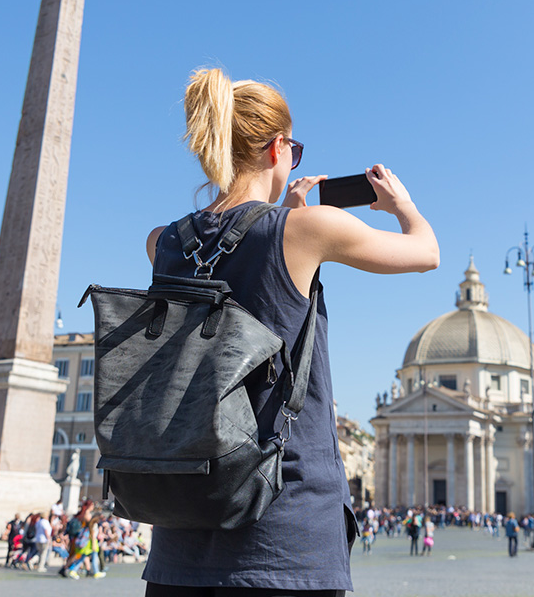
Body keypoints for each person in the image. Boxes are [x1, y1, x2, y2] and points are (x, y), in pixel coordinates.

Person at [141, 69, 440, 596]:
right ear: (279, 147)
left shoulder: (163, 243)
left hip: (181, 531)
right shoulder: (307, 229)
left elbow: (234, 256)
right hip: (284, 531)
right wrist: (401, 204)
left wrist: (289, 220)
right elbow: (426, 253)